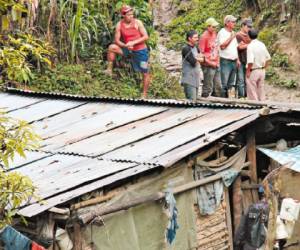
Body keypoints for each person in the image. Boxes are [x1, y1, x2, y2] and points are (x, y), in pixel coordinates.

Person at [105, 5, 150, 98]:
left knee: (145, 72)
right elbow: (117, 40)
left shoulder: (138, 23)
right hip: (128, 50)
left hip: (140, 51)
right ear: (123, 15)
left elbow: (146, 36)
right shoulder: (119, 24)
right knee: (112, 47)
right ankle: (109, 70)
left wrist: (133, 42)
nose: (131, 16)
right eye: (129, 15)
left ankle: (144, 94)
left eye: (132, 14)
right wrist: (126, 45)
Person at [234, 186, 269, 250]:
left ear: (258, 195)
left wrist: (237, 242)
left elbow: (242, 227)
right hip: (266, 245)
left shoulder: (250, 208)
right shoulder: (271, 210)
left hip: (249, 246)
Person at [217, 15, 240, 98]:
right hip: (225, 61)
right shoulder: (222, 32)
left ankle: (229, 101)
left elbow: (235, 47)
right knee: (224, 83)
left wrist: (238, 59)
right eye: (233, 22)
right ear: (227, 23)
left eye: (235, 21)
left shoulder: (232, 32)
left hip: (234, 61)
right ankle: (223, 101)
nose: (235, 23)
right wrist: (231, 37)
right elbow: (222, 46)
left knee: (231, 84)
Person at [199, 17, 222, 97]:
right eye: (213, 27)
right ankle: (203, 102)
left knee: (218, 86)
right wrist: (209, 63)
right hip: (208, 65)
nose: (215, 28)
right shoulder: (204, 37)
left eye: (215, 27)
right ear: (208, 26)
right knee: (208, 86)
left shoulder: (214, 34)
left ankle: (216, 103)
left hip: (216, 62)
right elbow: (201, 53)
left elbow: (216, 48)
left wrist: (217, 61)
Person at [246, 29, 271, 101]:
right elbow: (268, 58)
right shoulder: (262, 44)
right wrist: (265, 67)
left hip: (254, 70)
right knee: (261, 88)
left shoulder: (250, 46)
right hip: (262, 70)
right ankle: (262, 104)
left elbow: (250, 61)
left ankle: (254, 106)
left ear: (249, 36)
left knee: (252, 90)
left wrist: (248, 71)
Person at [181, 30, 204, 100]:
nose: (197, 39)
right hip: (189, 79)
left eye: (197, 37)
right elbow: (193, 62)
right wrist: (198, 58)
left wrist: (198, 58)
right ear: (189, 38)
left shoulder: (196, 48)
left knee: (195, 101)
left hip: (196, 79)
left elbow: (203, 59)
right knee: (191, 101)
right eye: (195, 37)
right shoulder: (185, 48)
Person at [236, 18, 253, 98]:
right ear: (243, 26)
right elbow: (239, 47)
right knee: (241, 80)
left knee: (248, 80)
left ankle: (247, 96)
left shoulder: (250, 35)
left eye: (250, 27)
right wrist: (249, 45)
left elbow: (244, 46)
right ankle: (241, 97)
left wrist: (245, 45)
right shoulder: (238, 35)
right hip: (241, 60)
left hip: (248, 60)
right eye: (248, 26)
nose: (249, 28)